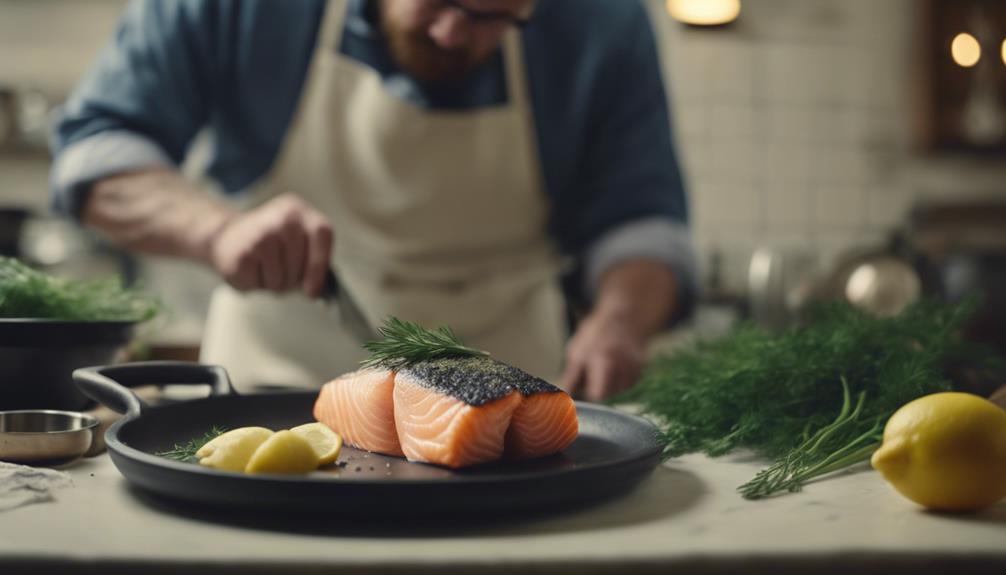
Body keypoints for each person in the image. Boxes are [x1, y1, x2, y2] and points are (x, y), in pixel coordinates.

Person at [50, 0, 697, 401]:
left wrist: (621, 318)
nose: (454, 32)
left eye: (496, 15)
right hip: (272, 380)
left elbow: (643, 226)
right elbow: (97, 151)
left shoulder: (603, 21)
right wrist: (216, 231)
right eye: (439, 0)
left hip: (506, 395)